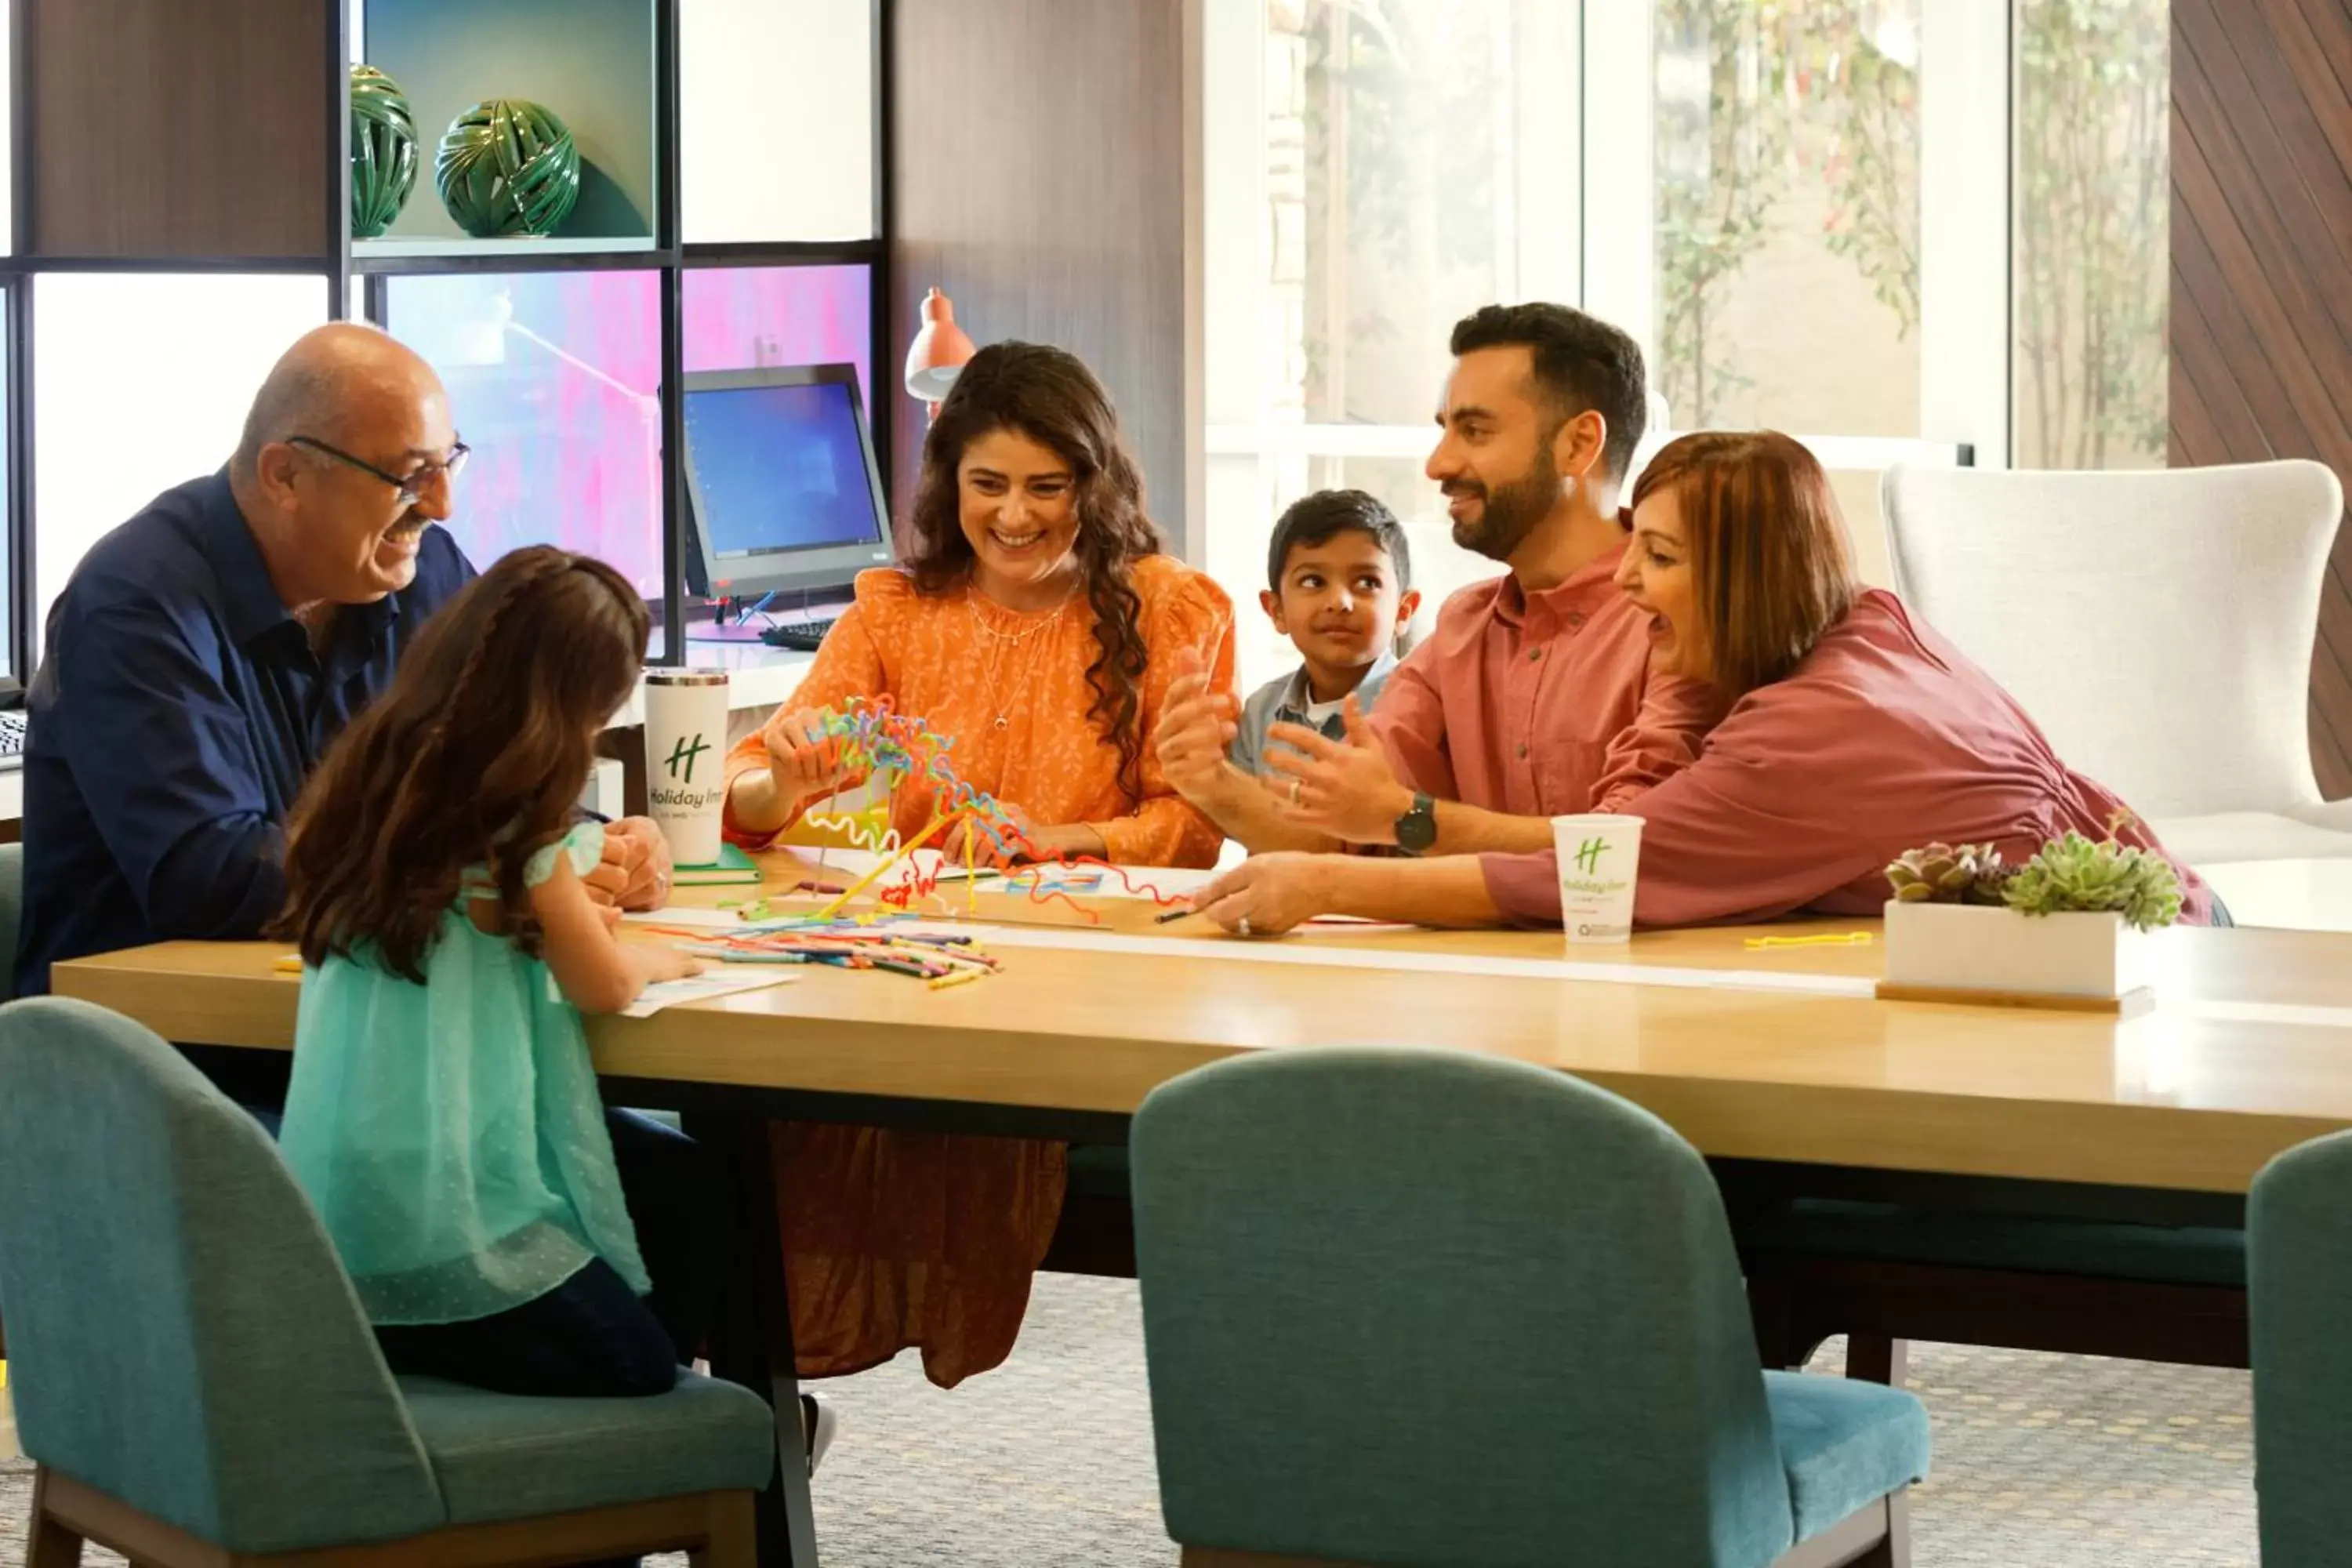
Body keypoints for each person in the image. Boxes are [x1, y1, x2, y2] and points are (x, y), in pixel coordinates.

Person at [722, 340, 1236, 1388]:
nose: (1014, 515)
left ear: (1096, 483)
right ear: (948, 481)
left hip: (1081, 971)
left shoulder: (1174, 606)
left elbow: (1192, 827)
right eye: (987, 484)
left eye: (1048, 487)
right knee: (758, 1107)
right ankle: (756, 1397)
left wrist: (1068, 840)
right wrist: (788, 783)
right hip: (909, 964)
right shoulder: (893, 611)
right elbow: (747, 793)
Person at [1186, 431, 2216, 932]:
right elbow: (1629, 841)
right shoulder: (1859, 622)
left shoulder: (1813, 735)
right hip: (2134, 933)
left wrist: (1325, 879)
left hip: (2139, 967)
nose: (1628, 582)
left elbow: (1598, 875)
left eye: (1663, 560)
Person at [17, 325, 673, 1020]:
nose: (441, 504)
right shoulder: (136, 605)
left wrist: (596, 841)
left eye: (449, 463)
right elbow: (212, 879)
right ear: (286, 476)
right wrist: (504, 873)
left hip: (374, 1020)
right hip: (172, 1058)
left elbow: (502, 767)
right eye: (407, 474)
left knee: (681, 1133)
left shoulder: (422, 571)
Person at [274, 547, 726, 1410]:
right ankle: (594, 1474)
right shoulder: (520, 832)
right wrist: (662, 956)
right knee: (638, 1362)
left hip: (346, 1193)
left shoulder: (368, 783)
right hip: (453, 1211)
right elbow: (604, 986)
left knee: (676, 1184)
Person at [1152, 303, 1719, 862]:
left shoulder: (1677, 619)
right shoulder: (1461, 628)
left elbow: (1626, 851)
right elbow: (1340, 836)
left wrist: (1410, 818)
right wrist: (1213, 783)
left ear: (1578, 445)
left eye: (1474, 430)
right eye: (1445, 429)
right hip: (1461, 955)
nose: (1438, 464)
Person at [1159, 488, 1420, 854]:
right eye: (1313, 581)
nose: (1339, 602)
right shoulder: (1262, 709)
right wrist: (1201, 768)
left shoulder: (1418, 709)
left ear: (1404, 611)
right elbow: (1246, 826)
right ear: (1275, 610)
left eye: (1367, 583)